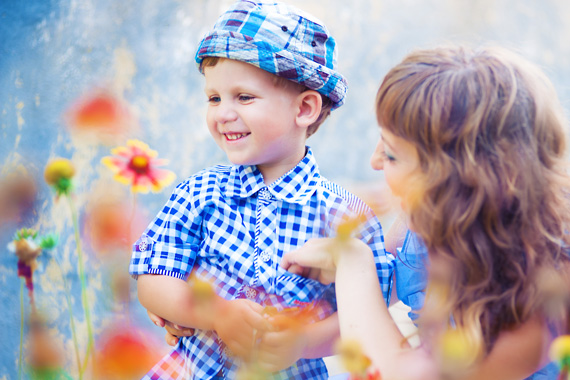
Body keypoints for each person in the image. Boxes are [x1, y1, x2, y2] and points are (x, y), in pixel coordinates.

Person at [129, 1, 394, 379]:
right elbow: (154, 280)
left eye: (244, 97)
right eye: (214, 97)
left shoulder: (345, 215)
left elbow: (364, 315)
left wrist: (302, 342)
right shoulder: (199, 193)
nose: (222, 112)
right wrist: (215, 314)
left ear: (304, 109)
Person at [281, 44, 570, 380]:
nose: (374, 162)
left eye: (390, 155)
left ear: (456, 180)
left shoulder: (551, 286)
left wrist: (352, 261)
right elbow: (369, 309)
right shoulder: (418, 228)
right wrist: (292, 342)